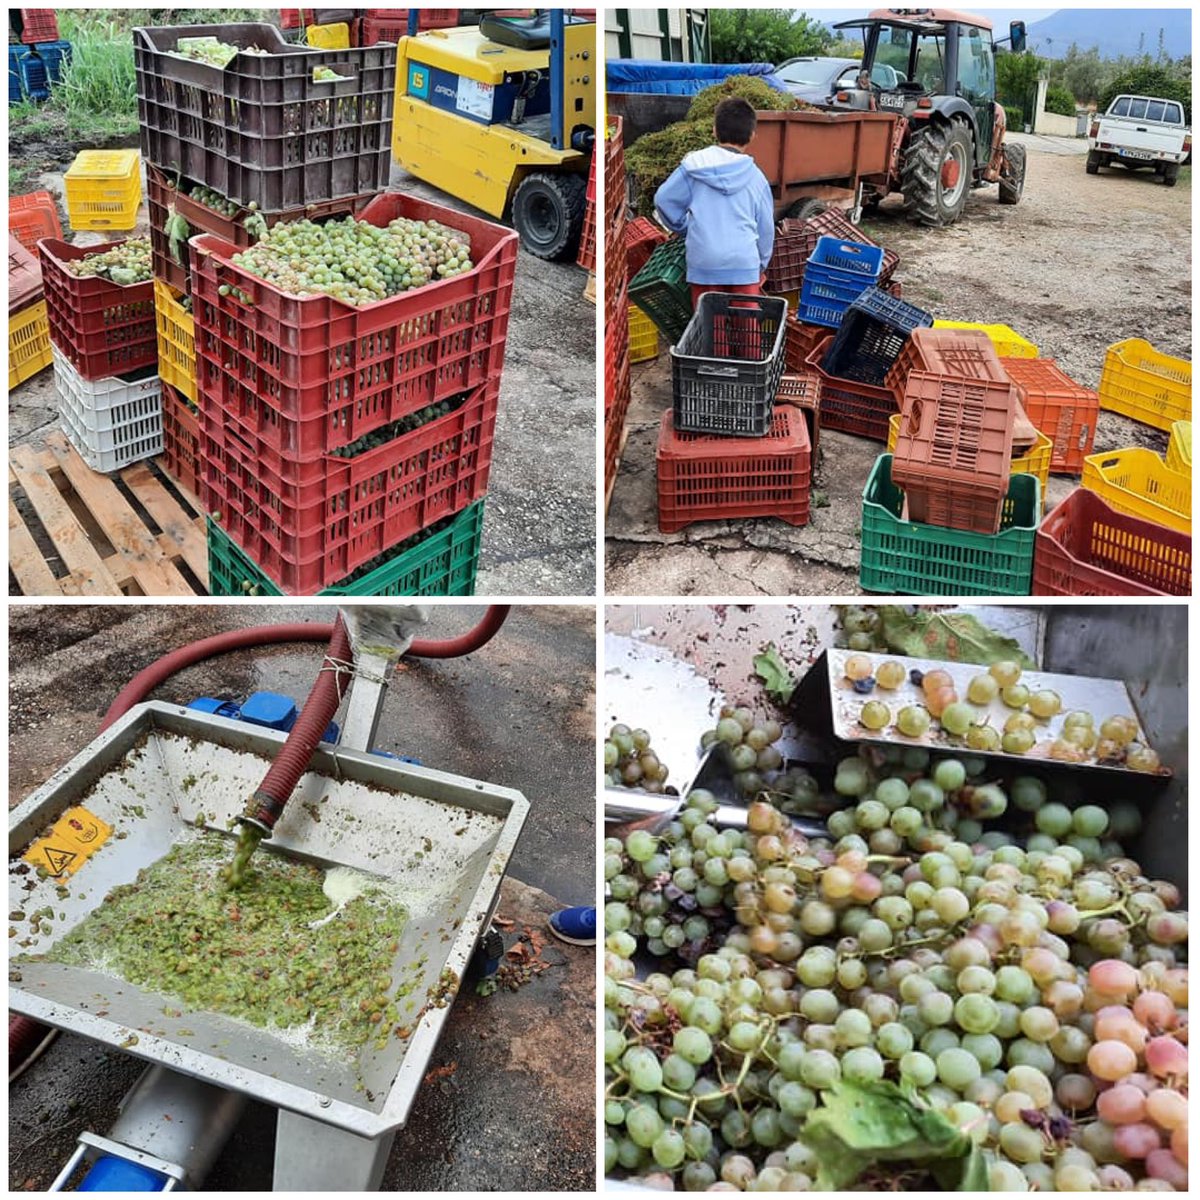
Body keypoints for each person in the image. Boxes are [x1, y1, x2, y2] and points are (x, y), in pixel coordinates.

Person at [653, 96, 775, 312]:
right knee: (747, 332)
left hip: (704, 261)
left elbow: (663, 199)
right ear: (752, 136)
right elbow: (766, 230)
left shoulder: (694, 167)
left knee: (710, 329)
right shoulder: (757, 178)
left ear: (714, 131)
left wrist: (687, 229)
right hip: (743, 263)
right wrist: (760, 265)